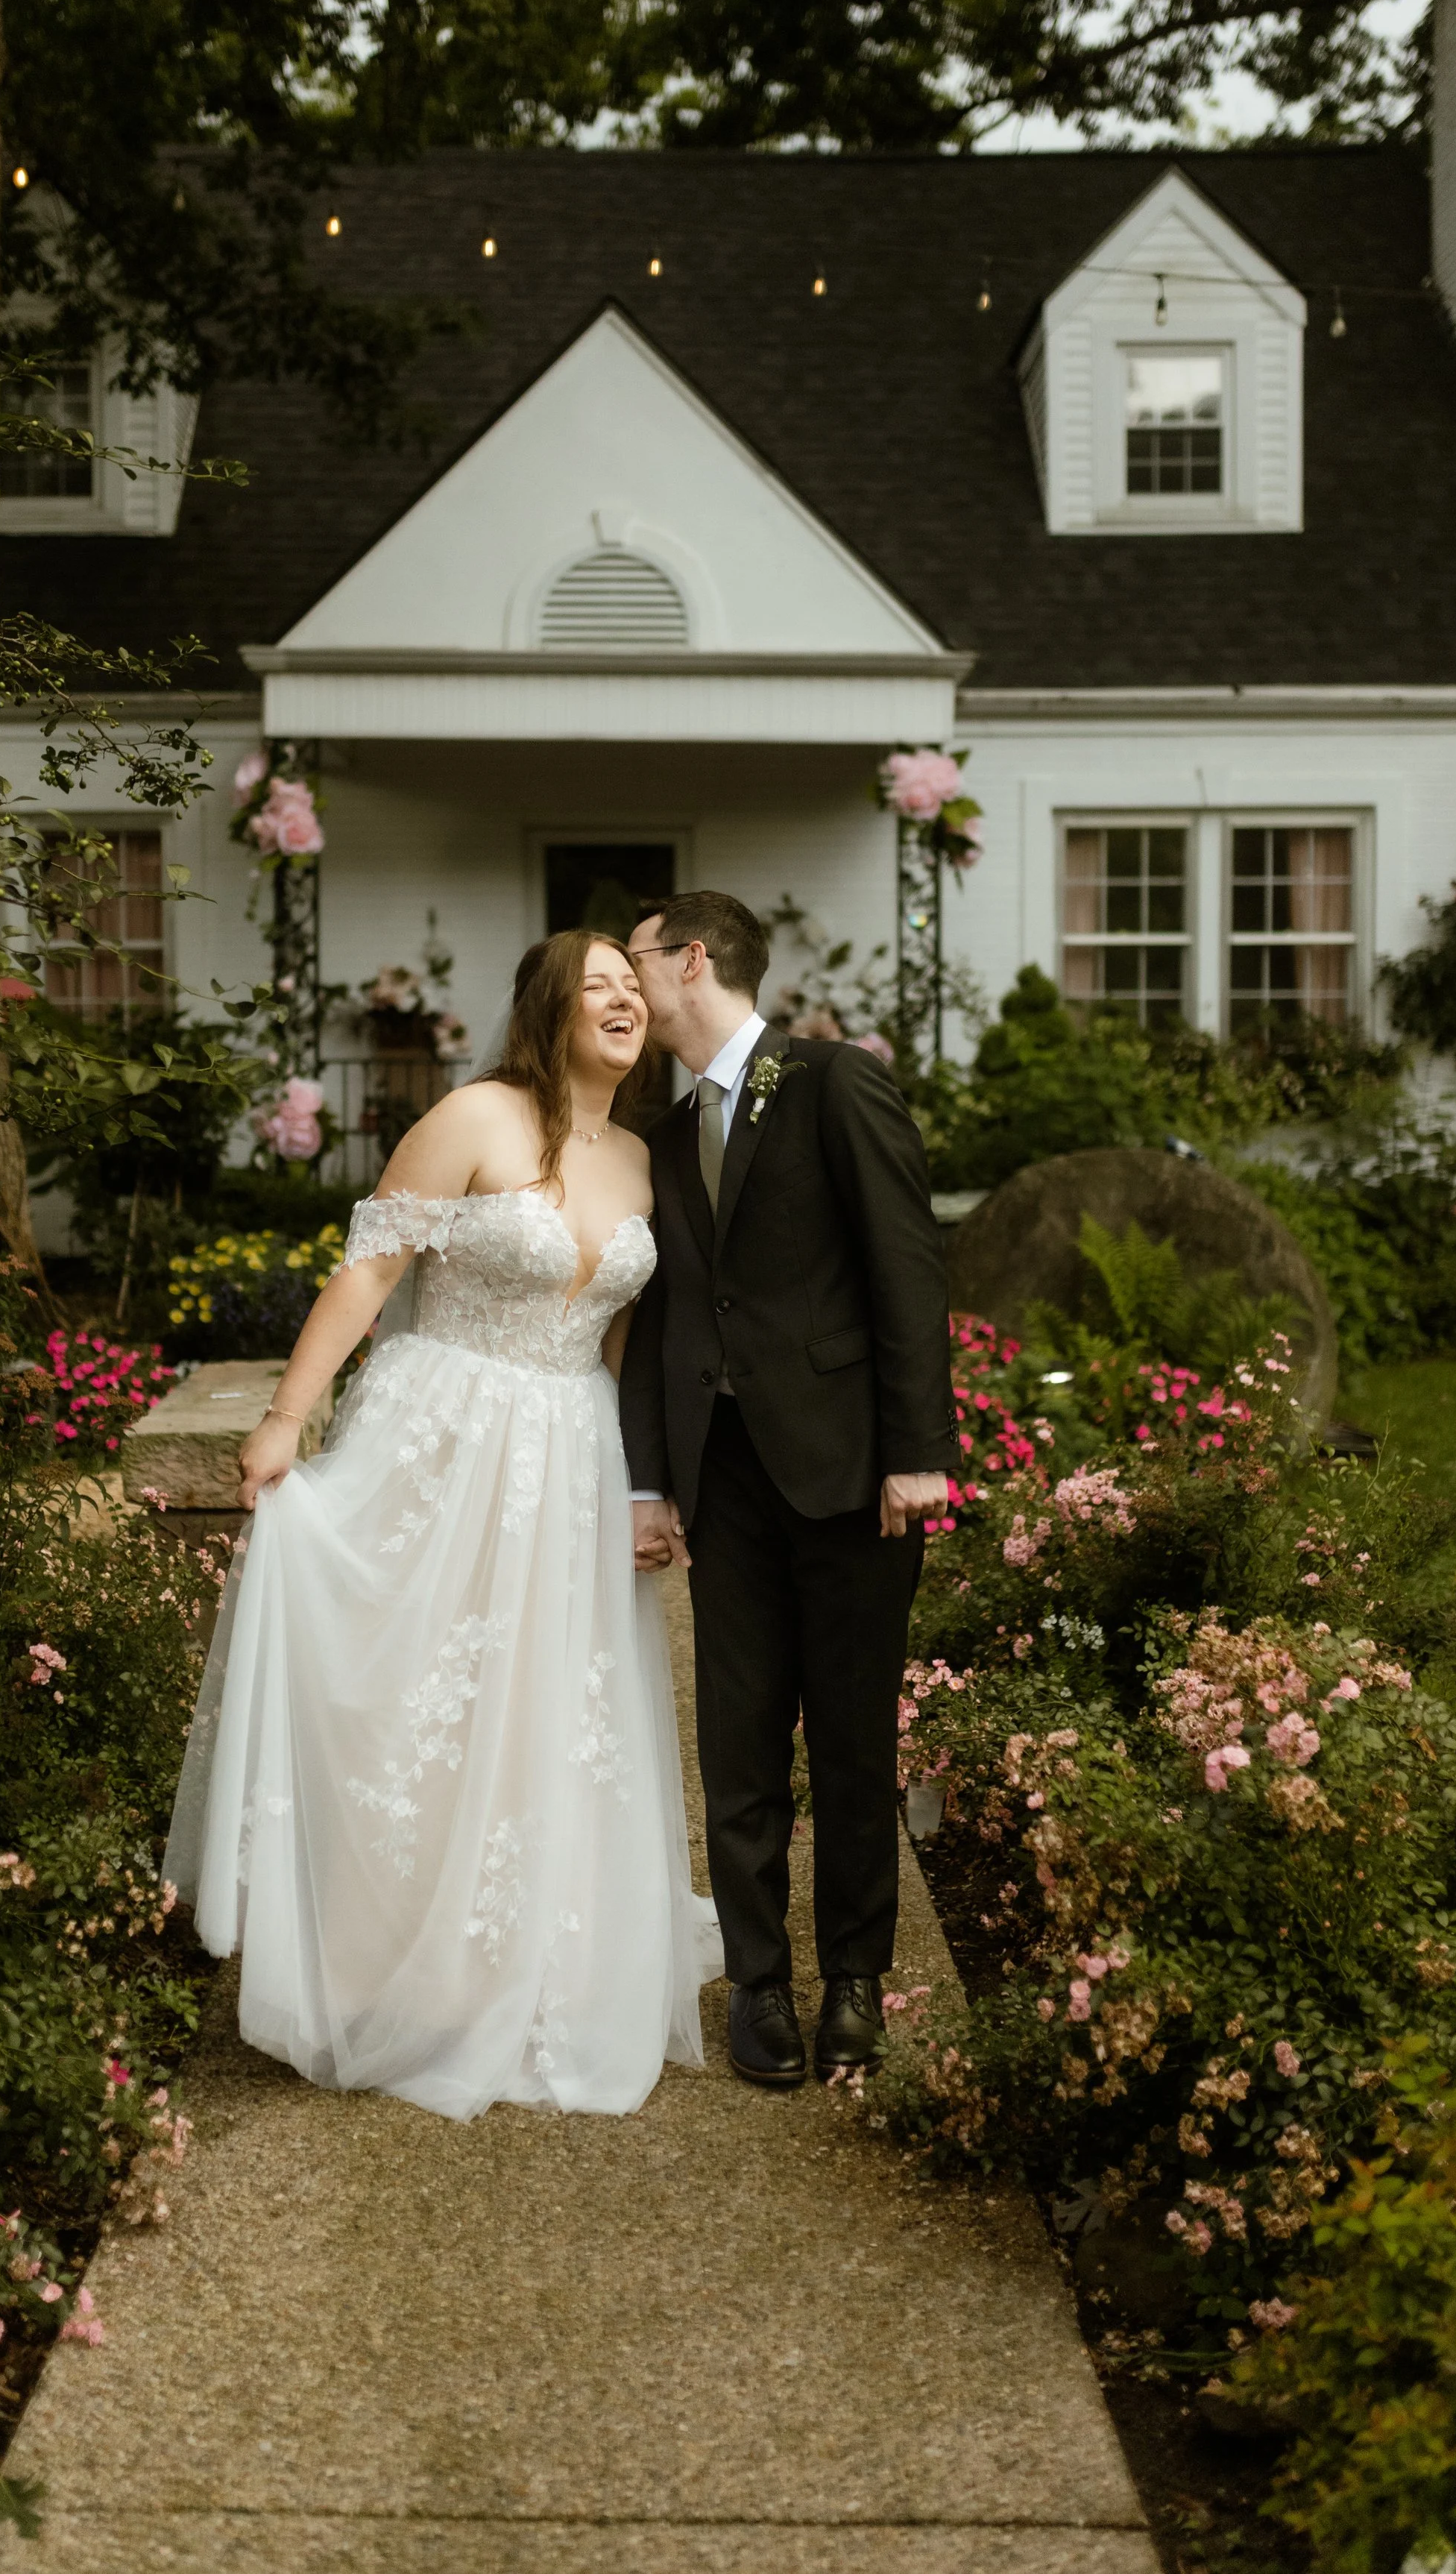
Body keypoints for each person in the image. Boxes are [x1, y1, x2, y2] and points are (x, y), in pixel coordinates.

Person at [162, 932, 710, 2121]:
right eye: (598, 988)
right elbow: (367, 1273)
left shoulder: (643, 1161)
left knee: (541, 1709)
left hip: (573, 1447)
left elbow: (623, 1338)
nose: (622, 1003)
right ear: (549, 1010)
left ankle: (519, 1965)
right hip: (444, 1434)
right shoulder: (472, 1117)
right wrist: (283, 1421)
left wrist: (642, 1488)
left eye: (634, 990)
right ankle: (381, 1968)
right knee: (418, 1701)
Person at [620, 893, 957, 2091]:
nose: (624, 980)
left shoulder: (831, 1083)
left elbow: (906, 1269)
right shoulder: (657, 1141)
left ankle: (855, 1981)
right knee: (742, 1743)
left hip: (854, 1474)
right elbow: (662, 1323)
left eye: (638, 959)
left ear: (692, 960)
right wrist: (651, 1480)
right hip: (727, 1488)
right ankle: (761, 1986)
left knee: (856, 1742)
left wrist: (921, 1452)